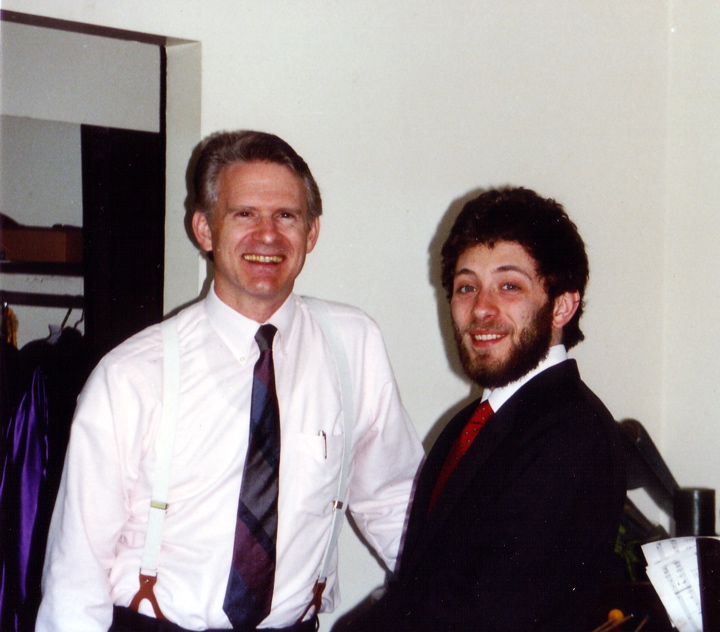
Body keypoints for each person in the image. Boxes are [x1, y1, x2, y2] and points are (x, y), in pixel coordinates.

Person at [36, 130, 424, 632]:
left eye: (286, 215)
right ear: (204, 229)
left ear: (312, 233)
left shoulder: (353, 345)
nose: (268, 235)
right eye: (244, 214)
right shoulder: (132, 375)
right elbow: (76, 567)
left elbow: (394, 502)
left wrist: (464, 604)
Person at [340, 187, 625, 632]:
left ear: (562, 306)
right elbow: (424, 586)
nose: (481, 309)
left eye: (509, 286)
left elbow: (490, 614)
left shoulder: (571, 433)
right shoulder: (470, 424)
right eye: (466, 287)